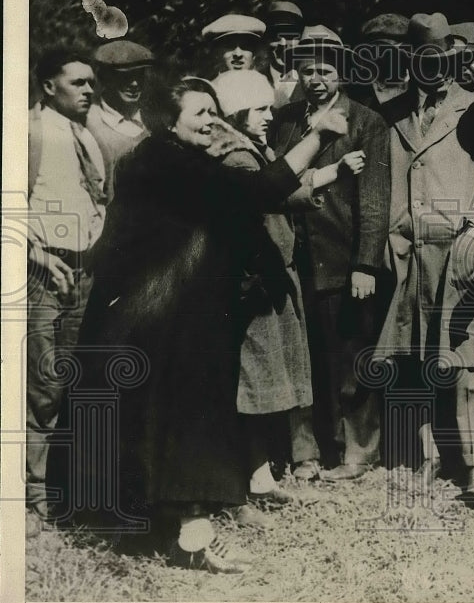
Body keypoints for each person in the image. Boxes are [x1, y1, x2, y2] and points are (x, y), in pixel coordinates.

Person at [63, 75, 341, 573]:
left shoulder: (155, 158)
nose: (211, 121)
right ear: (169, 122)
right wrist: (318, 135)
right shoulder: (172, 161)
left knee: (159, 424)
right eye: (199, 114)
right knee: (188, 421)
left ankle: (160, 527)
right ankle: (194, 538)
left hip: (157, 314)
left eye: (214, 111)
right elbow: (262, 190)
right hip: (169, 320)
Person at [377, 12, 474, 508]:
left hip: (461, 252)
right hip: (407, 255)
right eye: (420, 58)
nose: (430, 68)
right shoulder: (390, 115)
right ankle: (427, 458)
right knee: (415, 359)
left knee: (468, 361)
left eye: (439, 59)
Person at [270, 26, 391, 481]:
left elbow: (375, 199)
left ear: (341, 74)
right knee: (301, 358)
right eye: (307, 70)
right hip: (292, 258)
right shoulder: (286, 121)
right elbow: (272, 183)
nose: (315, 79)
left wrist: (366, 263)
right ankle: (307, 452)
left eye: (324, 70)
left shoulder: (366, 122)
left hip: (343, 259)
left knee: (350, 357)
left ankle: (358, 451)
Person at [209, 70, 321, 505]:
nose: (267, 118)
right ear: (235, 113)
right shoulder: (237, 158)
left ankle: (258, 476)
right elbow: (268, 195)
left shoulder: (255, 149)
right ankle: (247, 477)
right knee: (250, 384)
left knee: (259, 384)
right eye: (258, 110)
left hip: (264, 281)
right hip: (249, 285)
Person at [25, 48, 106, 538]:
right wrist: (39, 257)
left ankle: (67, 487)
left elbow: (98, 198)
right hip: (42, 269)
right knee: (44, 382)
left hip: (85, 269)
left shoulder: (88, 134)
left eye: (91, 82)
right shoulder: (30, 132)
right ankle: (35, 491)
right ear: (49, 87)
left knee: (78, 378)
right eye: (78, 82)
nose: (89, 90)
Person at [85, 40, 156, 201]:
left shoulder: (154, 119)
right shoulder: (89, 124)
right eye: (125, 77)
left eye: (139, 75)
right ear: (104, 78)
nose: (134, 84)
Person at [263, 1, 306, 109]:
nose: (282, 44)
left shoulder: (314, 81)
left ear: (300, 41)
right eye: (275, 37)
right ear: (266, 41)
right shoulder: (254, 81)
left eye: (289, 36)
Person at [201, 13, 267, 77]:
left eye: (246, 46)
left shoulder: (265, 86)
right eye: (229, 46)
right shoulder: (206, 87)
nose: (238, 54)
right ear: (216, 53)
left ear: (254, 54)